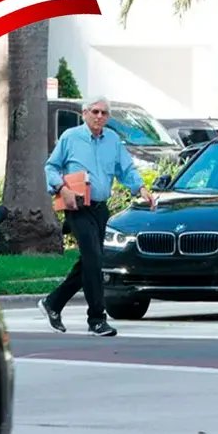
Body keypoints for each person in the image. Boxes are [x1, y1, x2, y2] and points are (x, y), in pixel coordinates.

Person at [38, 96, 155, 337]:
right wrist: (62, 188)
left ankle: (53, 303)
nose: (99, 116)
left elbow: (126, 169)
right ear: (84, 113)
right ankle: (97, 319)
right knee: (93, 260)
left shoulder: (112, 139)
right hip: (77, 207)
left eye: (104, 113)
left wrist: (141, 189)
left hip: (100, 207)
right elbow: (50, 167)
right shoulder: (70, 137)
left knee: (91, 261)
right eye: (95, 111)